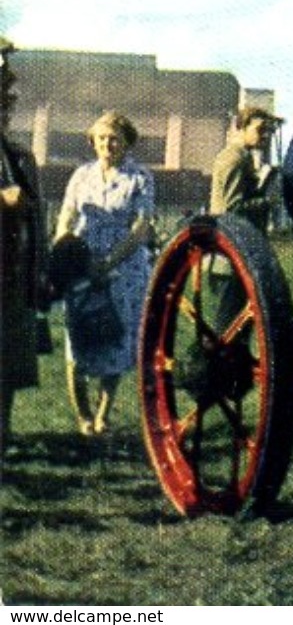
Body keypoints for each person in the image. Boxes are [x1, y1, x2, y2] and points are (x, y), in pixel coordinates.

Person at [53, 110, 155, 436]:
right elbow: (65, 216)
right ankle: (82, 415)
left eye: (114, 138)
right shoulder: (81, 175)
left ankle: (103, 414)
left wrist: (109, 263)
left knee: (116, 340)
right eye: (100, 139)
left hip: (124, 271)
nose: (107, 144)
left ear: (126, 142)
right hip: (81, 267)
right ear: (92, 142)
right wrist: (63, 249)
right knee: (78, 340)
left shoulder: (140, 178)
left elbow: (141, 228)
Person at [0, 38, 45, 458]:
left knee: (10, 361)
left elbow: (36, 215)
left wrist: (42, 267)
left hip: (14, 272)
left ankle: (4, 434)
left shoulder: (18, 155)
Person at [210, 106, 282, 232]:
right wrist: (268, 202)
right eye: (260, 130)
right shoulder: (234, 159)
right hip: (231, 235)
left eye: (267, 130)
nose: (265, 135)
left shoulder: (243, 156)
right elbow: (232, 208)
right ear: (243, 128)